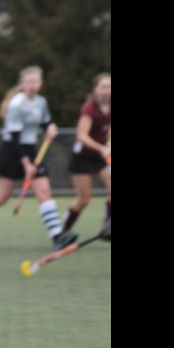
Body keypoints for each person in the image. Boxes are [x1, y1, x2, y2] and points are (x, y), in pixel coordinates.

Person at [0, 66, 79, 250]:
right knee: (1, 197)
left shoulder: (41, 102)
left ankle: (57, 236)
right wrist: (26, 163)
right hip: (12, 152)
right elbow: (14, 138)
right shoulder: (16, 104)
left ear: (41, 83)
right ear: (22, 84)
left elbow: (45, 122)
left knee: (44, 192)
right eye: (29, 82)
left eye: (36, 82)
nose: (32, 86)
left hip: (31, 149)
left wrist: (50, 128)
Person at [61, 73, 111, 235]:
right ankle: (62, 231)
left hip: (99, 157)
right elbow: (81, 136)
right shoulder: (89, 108)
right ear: (95, 90)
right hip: (82, 158)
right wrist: (102, 148)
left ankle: (107, 228)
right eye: (103, 87)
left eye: (109, 87)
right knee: (84, 199)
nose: (107, 91)